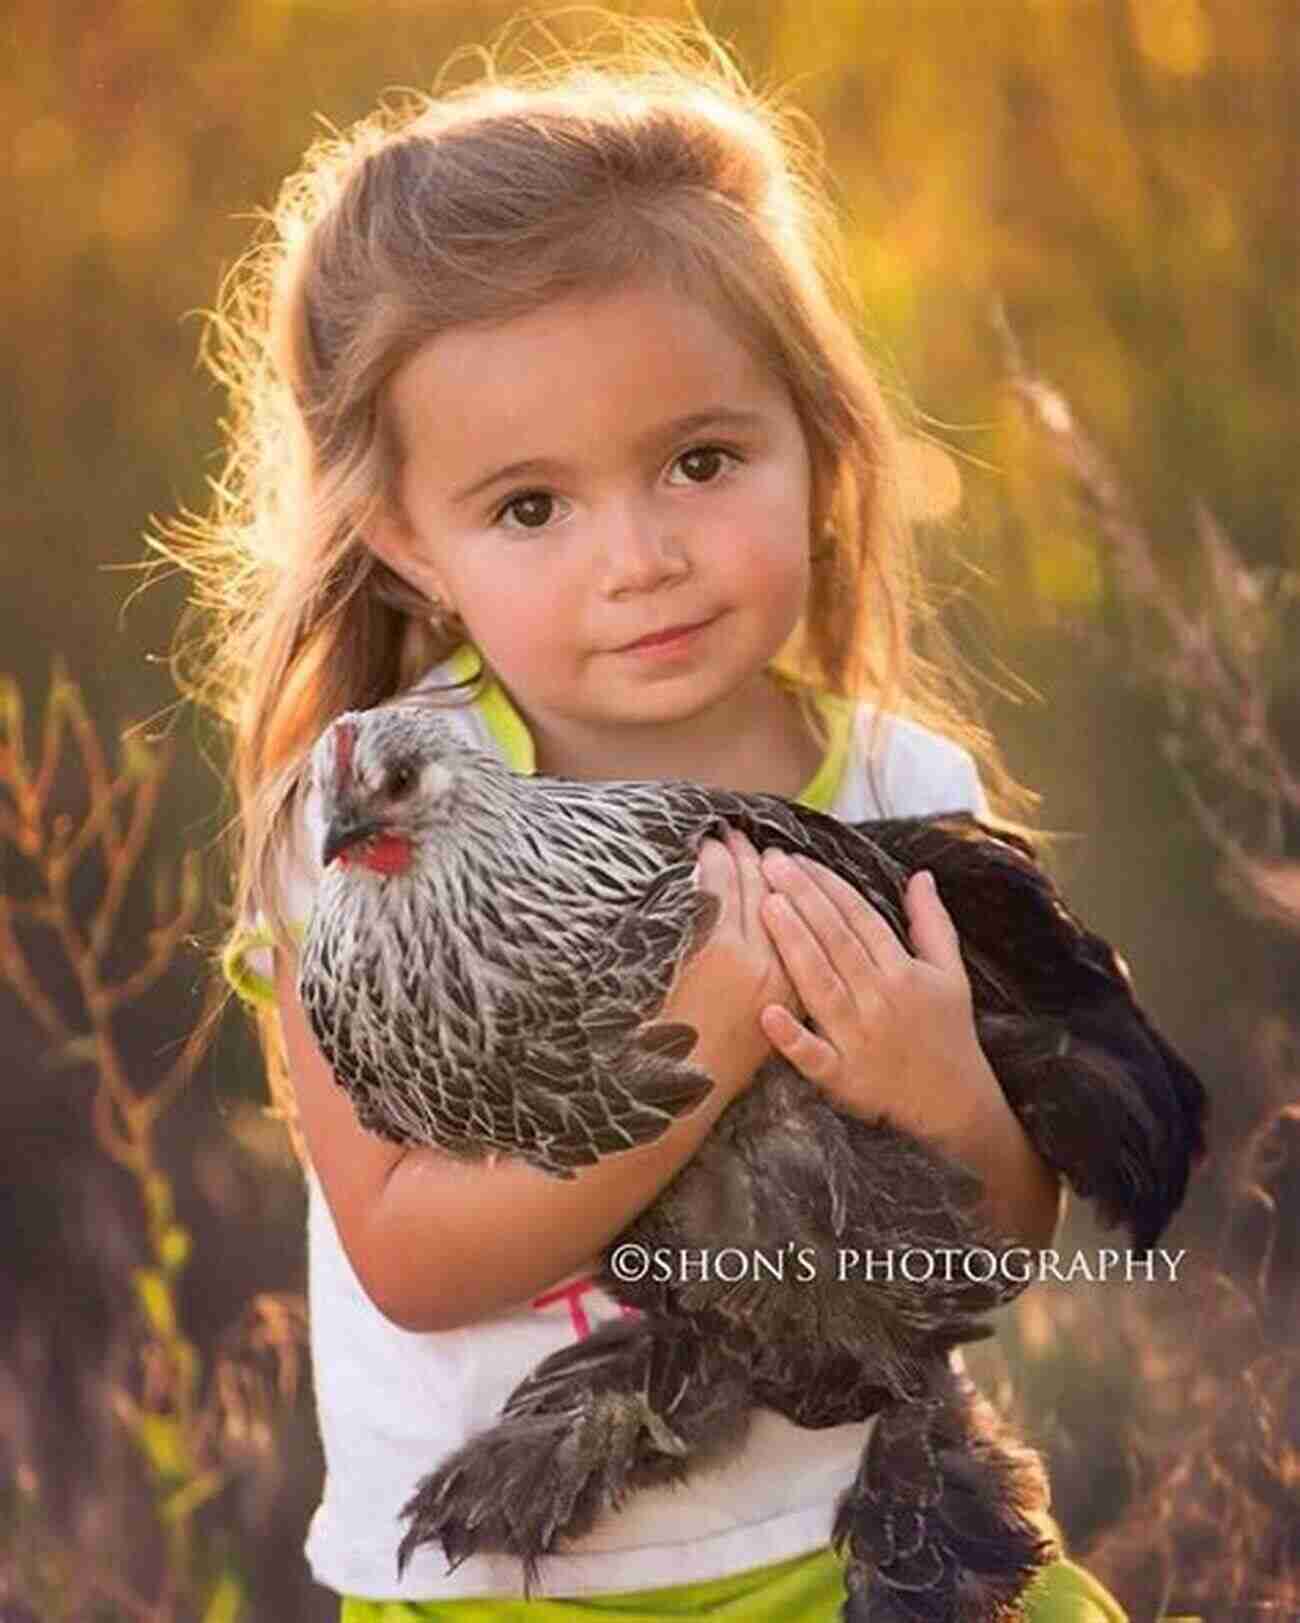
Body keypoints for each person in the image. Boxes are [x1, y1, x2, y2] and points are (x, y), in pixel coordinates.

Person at [186, 12, 1130, 1620]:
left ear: (814, 443)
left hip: (862, 1552)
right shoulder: (361, 825)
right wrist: (709, 1032)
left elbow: (1000, 1237)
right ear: (408, 541)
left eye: (700, 460)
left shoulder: (906, 800)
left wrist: (944, 1090)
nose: (641, 557)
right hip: (509, 1591)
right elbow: (412, 1259)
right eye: (533, 505)